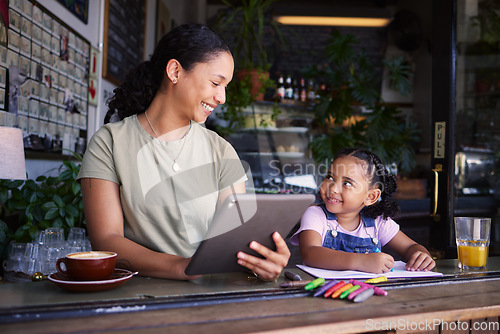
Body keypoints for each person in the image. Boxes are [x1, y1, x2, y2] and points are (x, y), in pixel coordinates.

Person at [77, 23, 290, 281]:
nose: (222, 97)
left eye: (226, 87)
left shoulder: (221, 150)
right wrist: (181, 267)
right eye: (215, 83)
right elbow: (106, 241)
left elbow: (234, 240)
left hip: (208, 298)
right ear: (175, 71)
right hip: (137, 298)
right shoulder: (109, 143)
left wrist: (262, 260)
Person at [290, 148, 435, 274]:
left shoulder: (378, 221)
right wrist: (361, 261)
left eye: (347, 183)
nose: (332, 188)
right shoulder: (316, 214)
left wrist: (421, 256)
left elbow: (410, 246)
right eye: (329, 177)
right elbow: (310, 253)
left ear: (371, 196)